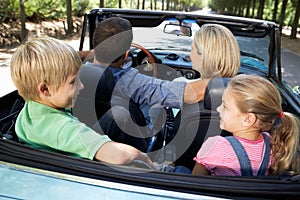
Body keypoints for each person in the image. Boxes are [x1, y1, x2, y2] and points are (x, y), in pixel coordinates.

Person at [10, 36, 155, 168]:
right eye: (73, 82)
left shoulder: (32, 108)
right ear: (45, 89)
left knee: (120, 114)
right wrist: (146, 159)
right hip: (85, 169)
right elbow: (118, 155)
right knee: (129, 114)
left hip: (65, 159)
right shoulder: (60, 127)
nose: (82, 86)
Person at [75, 17, 208, 153]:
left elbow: (60, 53)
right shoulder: (130, 81)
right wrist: (225, 76)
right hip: (132, 145)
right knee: (158, 104)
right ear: (127, 54)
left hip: (89, 135)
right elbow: (189, 94)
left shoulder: (70, 71)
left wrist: (93, 53)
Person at [192, 74, 300, 176]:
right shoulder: (274, 144)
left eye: (225, 106)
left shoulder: (215, 145)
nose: (218, 109)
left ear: (248, 119)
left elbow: (195, 182)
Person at [172, 23, 241, 171]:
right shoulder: (248, 98)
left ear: (205, 56)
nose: (189, 55)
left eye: (192, 50)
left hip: (183, 170)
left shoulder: (181, 86)